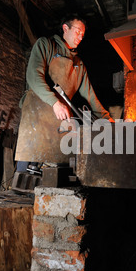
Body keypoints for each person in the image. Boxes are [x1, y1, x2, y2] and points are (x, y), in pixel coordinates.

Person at [15, 13, 113, 171]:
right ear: (65, 28)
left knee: (54, 169)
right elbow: (34, 76)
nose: (81, 37)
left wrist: (107, 120)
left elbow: (91, 97)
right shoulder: (46, 45)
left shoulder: (78, 64)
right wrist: (55, 102)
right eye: (78, 31)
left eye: (83, 34)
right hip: (37, 115)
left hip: (60, 117)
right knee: (26, 168)